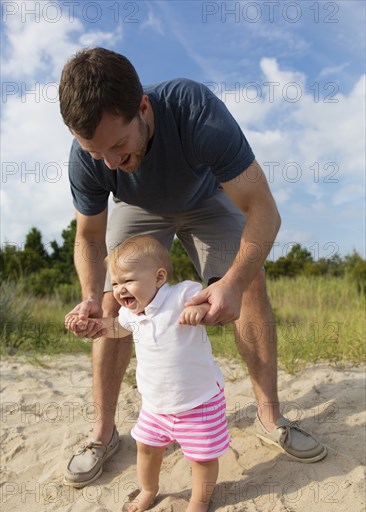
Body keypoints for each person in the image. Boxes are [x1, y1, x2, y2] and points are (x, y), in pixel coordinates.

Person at [59, 47, 327, 488]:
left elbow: (264, 211)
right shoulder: (89, 157)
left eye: (118, 146)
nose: (109, 162)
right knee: (111, 302)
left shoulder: (196, 111)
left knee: (251, 283)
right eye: (95, 152)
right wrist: (90, 294)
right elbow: (88, 236)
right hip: (139, 207)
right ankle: (103, 435)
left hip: (206, 197)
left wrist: (233, 284)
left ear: (142, 108)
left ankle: (271, 417)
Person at [66, 235, 230, 512]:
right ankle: (148, 489)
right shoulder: (131, 314)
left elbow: (209, 304)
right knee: (147, 448)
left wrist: (199, 310)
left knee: (202, 457)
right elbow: (116, 328)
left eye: (127, 281)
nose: (119, 290)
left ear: (158, 277)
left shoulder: (181, 295)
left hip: (198, 401)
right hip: (155, 405)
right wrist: (94, 325)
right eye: (115, 284)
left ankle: (200, 499)